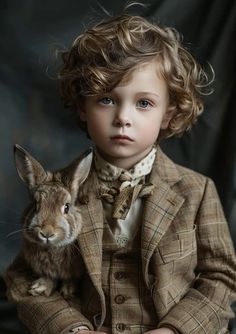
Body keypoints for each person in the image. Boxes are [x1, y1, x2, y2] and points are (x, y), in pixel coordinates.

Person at [4, 12, 236, 334]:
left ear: (168, 113)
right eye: (107, 100)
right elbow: (23, 275)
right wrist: (71, 328)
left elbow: (220, 277)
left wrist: (174, 331)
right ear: (83, 107)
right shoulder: (57, 193)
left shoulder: (197, 190)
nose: (123, 117)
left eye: (143, 103)